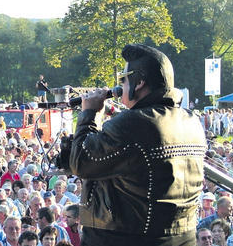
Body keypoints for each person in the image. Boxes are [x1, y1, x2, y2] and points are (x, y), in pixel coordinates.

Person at [61, 44, 207, 245]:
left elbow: (82, 162)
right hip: (182, 237)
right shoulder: (191, 121)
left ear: (139, 83)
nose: (120, 87)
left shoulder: (133, 123)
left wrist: (89, 114)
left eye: (123, 79)